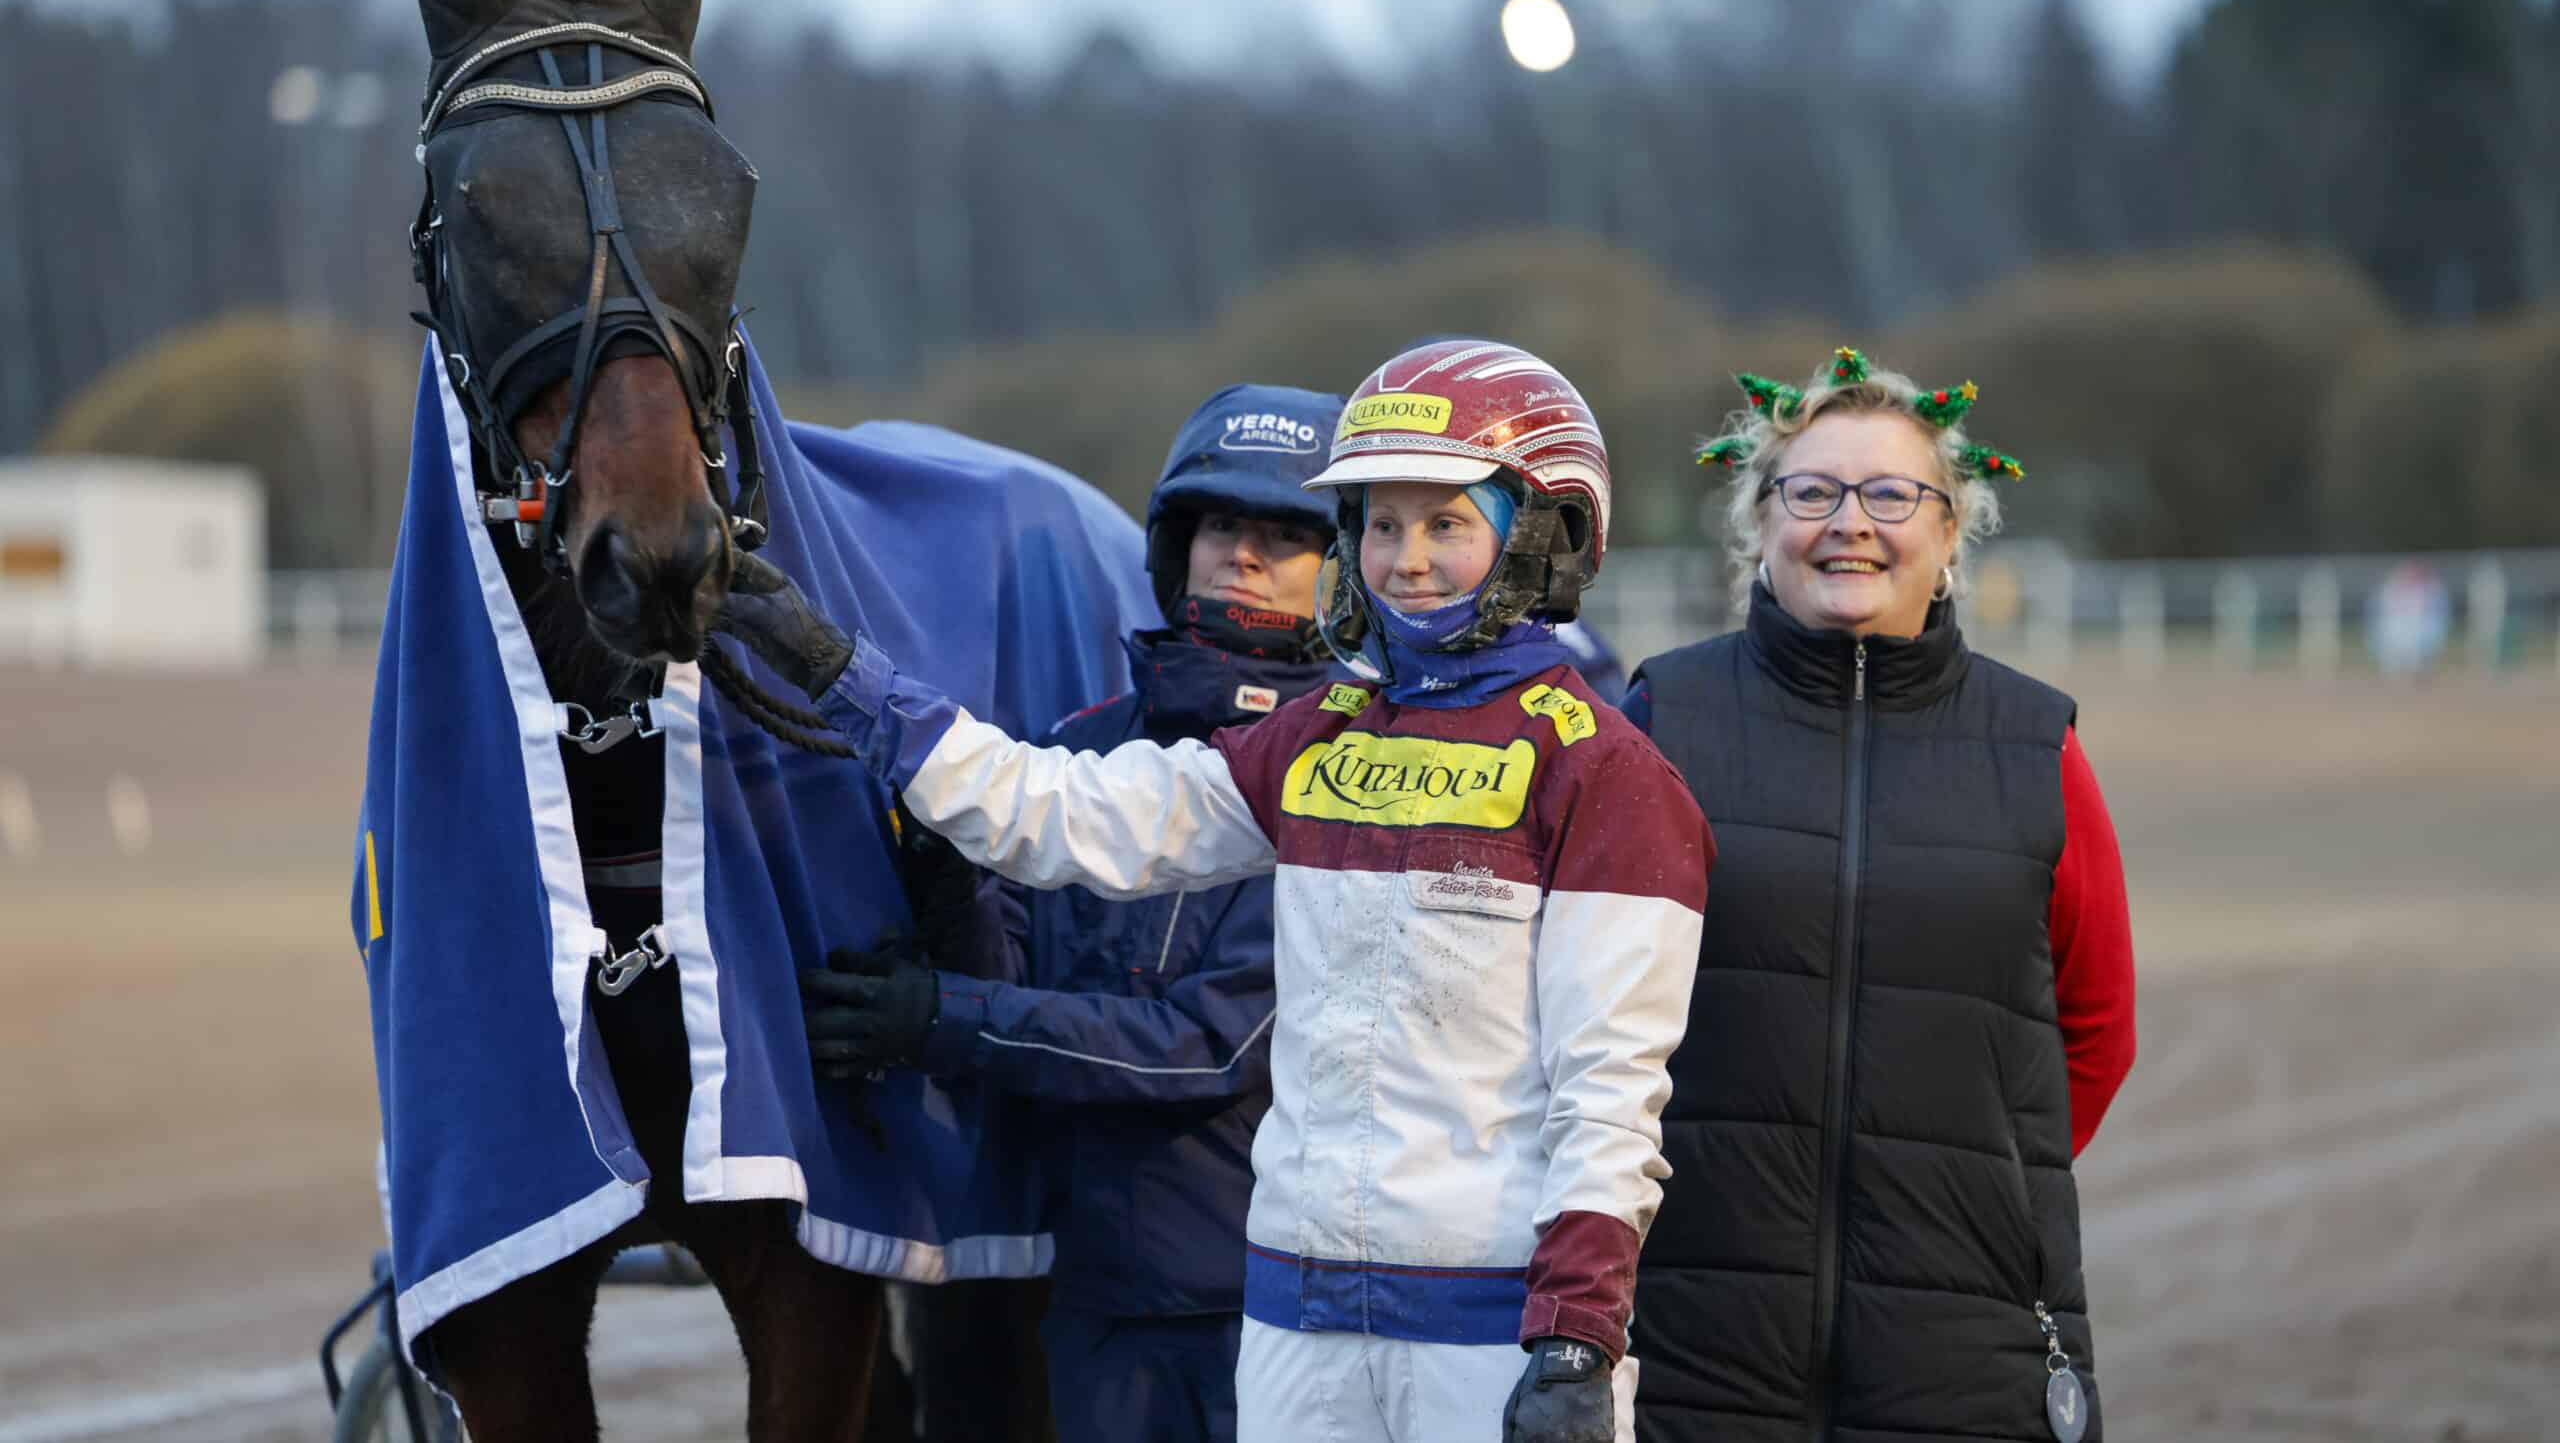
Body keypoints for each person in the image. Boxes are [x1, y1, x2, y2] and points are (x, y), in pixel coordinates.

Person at [726, 339, 1710, 1443]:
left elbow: (1610, 1093)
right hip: (1292, 1315)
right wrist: (840, 675)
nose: (1405, 560)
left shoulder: (1608, 772)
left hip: (1484, 1324)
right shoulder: (1310, 740)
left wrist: (1578, 1337)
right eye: (1381, 524)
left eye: (1446, 524)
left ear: (1541, 538)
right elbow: (1059, 814)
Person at [804, 383, 1345, 1443]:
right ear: (1174, 545)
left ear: (1342, 567)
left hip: (1276, 1318)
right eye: (1221, 525)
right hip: (1090, 1305)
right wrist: (942, 878)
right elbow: (1014, 976)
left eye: (1285, 537)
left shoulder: (1347, 769)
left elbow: (1203, 1047)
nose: (1241, 555)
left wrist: (942, 1016)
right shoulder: (1076, 748)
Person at [1622, 349, 2136, 1443]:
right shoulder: (1662, 717)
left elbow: (2096, 1030)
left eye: (1891, 493)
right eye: (1811, 492)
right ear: (1758, 526)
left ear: (1950, 533)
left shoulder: (2036, 744)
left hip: (1968, 1325)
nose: (1849, 521)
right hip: (1692, 1325)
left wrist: (1970, 1178)